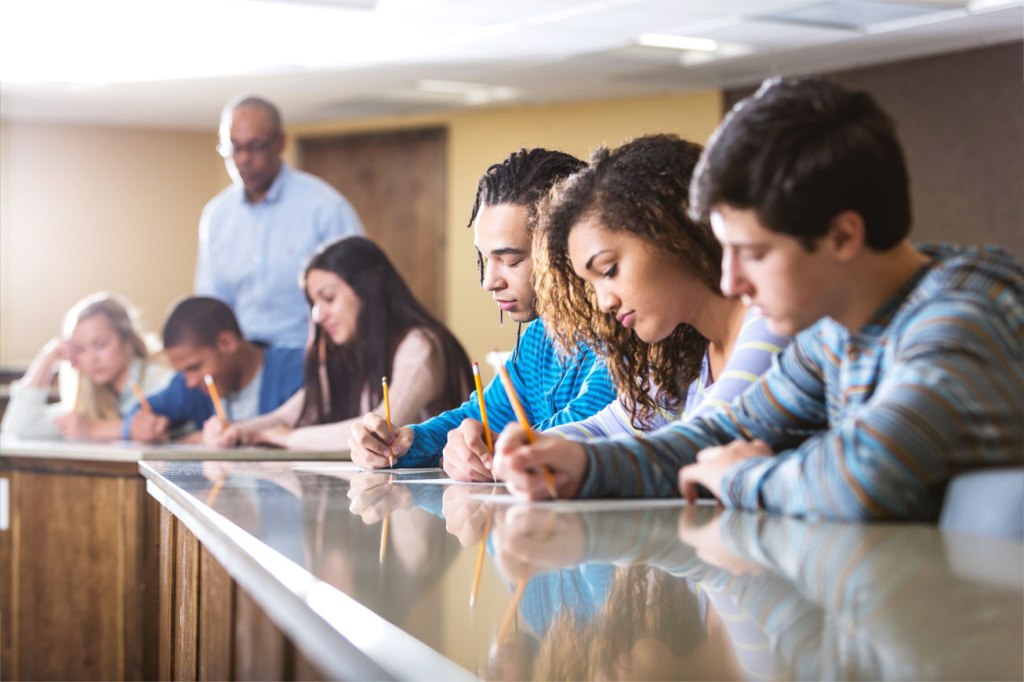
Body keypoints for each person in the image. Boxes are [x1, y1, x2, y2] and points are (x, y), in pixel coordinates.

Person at [495, 76, 1024, 521]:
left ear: (842, 237)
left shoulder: (961, 318)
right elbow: (722, 432)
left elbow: (864, 476)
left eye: (753, 252)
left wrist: (741, 477)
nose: (731, 283)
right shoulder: (834, 332)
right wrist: (581, 466)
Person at [348, 148, 616, 473]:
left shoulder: (627, 329)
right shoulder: (538, 340)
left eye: (512, 260)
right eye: (484, 259)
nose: (489, 281)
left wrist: (488, 444)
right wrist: (403, 442)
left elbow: (591, 426)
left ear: (570, 247)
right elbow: (480, 416)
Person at [532, 133, 787, 450]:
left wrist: (574, 460)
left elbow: (701, 439)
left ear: (670, 228)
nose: (604, 302)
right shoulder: (686, 355)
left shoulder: (769, 320)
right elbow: (605, 427)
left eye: (610, 270)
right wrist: (517, 448)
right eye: (592, 284)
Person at [202, 237, 473, 450]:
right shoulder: (349, 353)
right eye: (314, 303)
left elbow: (383, 428)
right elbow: (288, 416)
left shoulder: (421, 346)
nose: (317, 315)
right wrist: (236, 430)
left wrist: (286, 438)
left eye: (328, 298)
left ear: (370, 290)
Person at [195, 95, 365, 347]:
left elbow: (359, 292)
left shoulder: (325, 207)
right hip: (245, 360)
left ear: (279, 143)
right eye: (233, 147)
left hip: (311, 351)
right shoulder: (217, 215)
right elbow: (212, 302)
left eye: (255, 146)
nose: (243, 158)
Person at [124, 296, 304, 443]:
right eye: (182, 372)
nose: (190, 381)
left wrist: (198, 439)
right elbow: (141, 412)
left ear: (227, 342)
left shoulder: (298, 369)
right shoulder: (189, 386)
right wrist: (142, 427)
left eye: (194, 367)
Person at [1, 293, 174, 440]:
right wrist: (49, 356)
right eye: (81, 349)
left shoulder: (164, 382)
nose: (92, 359)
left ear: (126, 338)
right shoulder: (89, 401)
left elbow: (171, 431)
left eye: (100, 344)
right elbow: (19, 428)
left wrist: (95, 429)